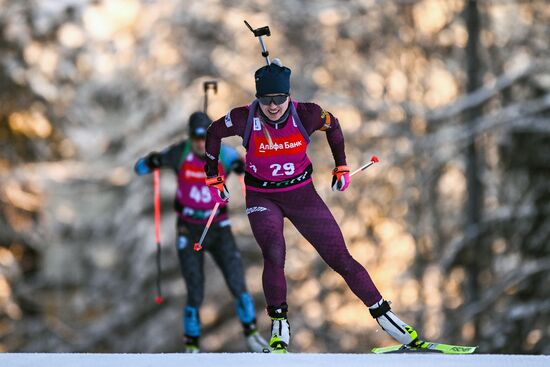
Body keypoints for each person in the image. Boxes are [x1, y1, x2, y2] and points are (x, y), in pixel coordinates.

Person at [203, 59, 421, 353]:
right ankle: (279, 327)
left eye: (279, 98)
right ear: (258, 98)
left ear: (288, 95)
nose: (273, 106)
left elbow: (334, 126)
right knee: (274, 251)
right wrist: (212, 176)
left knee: (340, 257)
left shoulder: (307, 114)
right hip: (262, 196)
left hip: (302, 195)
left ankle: (388, 320)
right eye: (266, 99)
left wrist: (341, 166)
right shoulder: (244, 118)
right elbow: (214, 132)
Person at [134, 111, 268, 353]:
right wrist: (151, 161)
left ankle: (252, 334)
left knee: (237, 281)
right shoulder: (180, 152)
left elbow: (250, 169)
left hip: (218, 226)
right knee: (195, 289)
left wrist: (241, 167)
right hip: (189, 227)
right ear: (189, 137)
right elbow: (140, 168)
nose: (199, 143)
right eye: (195, 137)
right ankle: (192, 345)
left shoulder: (225, 154)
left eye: (204, 137)